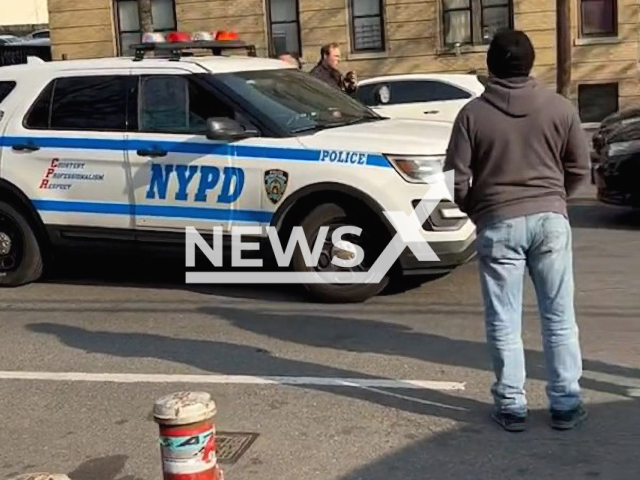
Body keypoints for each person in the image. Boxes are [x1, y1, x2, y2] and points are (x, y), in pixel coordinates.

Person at [443, 30, 590, 432]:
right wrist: (557, 199)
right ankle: (565, 403)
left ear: (490, 66)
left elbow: (455, 178)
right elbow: (579, 168)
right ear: (530, 64)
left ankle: (511, 405)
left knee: (504, 319)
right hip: (550, 221)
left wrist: (477, 208)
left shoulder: (472, 114)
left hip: (498, 222)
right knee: (559, 317)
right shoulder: (560, 108)